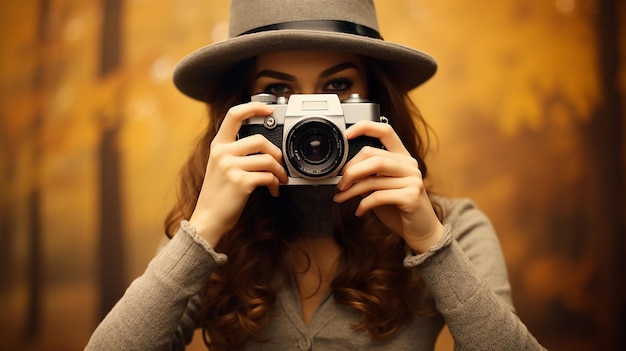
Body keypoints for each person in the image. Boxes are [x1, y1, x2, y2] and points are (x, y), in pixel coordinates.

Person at [86, 0, 545, 350]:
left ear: (375, 100)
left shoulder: (454, 227)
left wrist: (429, 243)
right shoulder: (207, 234)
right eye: (278, 91)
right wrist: (202, 233)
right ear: (241, 111)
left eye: (338, 86)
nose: (312, 121)